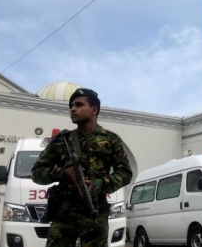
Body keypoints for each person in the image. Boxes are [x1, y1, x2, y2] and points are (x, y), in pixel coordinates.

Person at [31, 88, 133, 247]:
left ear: (94, 110)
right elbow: (37, 173)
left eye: (79, 105)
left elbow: (125, 173)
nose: (72, 109)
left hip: (94, 213)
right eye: (71, 106)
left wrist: (98, 184)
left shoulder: (111, 140)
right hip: (63, 213)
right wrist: (63, 173)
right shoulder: (61, 140)